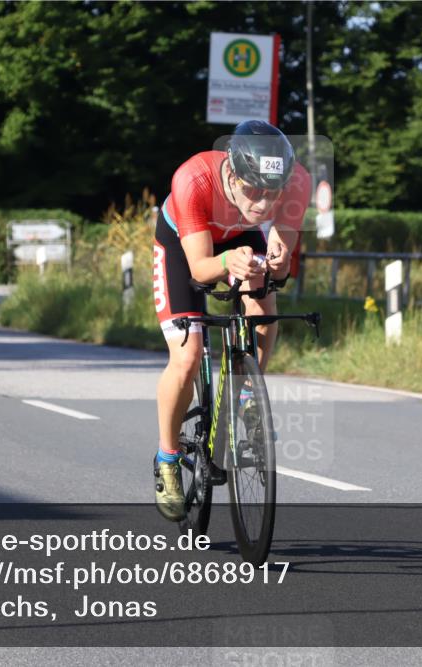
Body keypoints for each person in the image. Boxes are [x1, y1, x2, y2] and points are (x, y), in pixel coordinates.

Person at [151, 120, 310, 521]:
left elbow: (281, 272)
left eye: (272, 193)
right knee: (187, 356)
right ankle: (167, 459)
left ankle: (247, 398)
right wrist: (226, 262)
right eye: (254, 190)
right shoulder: (194, 178)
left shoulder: (297, 182)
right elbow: (202, 269)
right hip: (186, 242)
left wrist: (277, 257)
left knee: (263, 303)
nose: (263, 203)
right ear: (233, 174)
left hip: (240, 235)